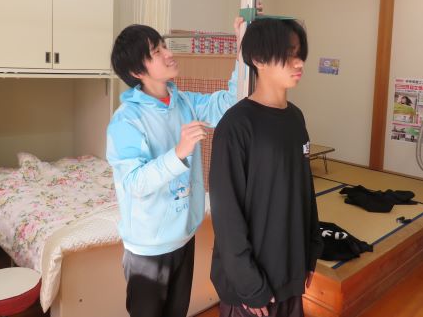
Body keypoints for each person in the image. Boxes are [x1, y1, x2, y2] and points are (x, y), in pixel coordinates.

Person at [106, 21, 240, 317]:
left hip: (184, 237)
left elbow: (230, 103)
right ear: (137, 71)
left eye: (163, 46)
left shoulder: (184, 103)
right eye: (156, 51)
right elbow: (134, 183)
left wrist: (242, 48)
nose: (168, 53)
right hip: (148, 249)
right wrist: (179, 152)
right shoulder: (126, 120)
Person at [209, 18, 323, 317]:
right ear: (258, 59)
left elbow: (304, 191)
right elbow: (226, 215)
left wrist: (311, 252)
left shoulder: (296, 117)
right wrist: (249, 285)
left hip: (290, 273)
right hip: (252, 289)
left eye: (299, 53)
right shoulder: (235, 125)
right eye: (288, 54)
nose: (299, 62)